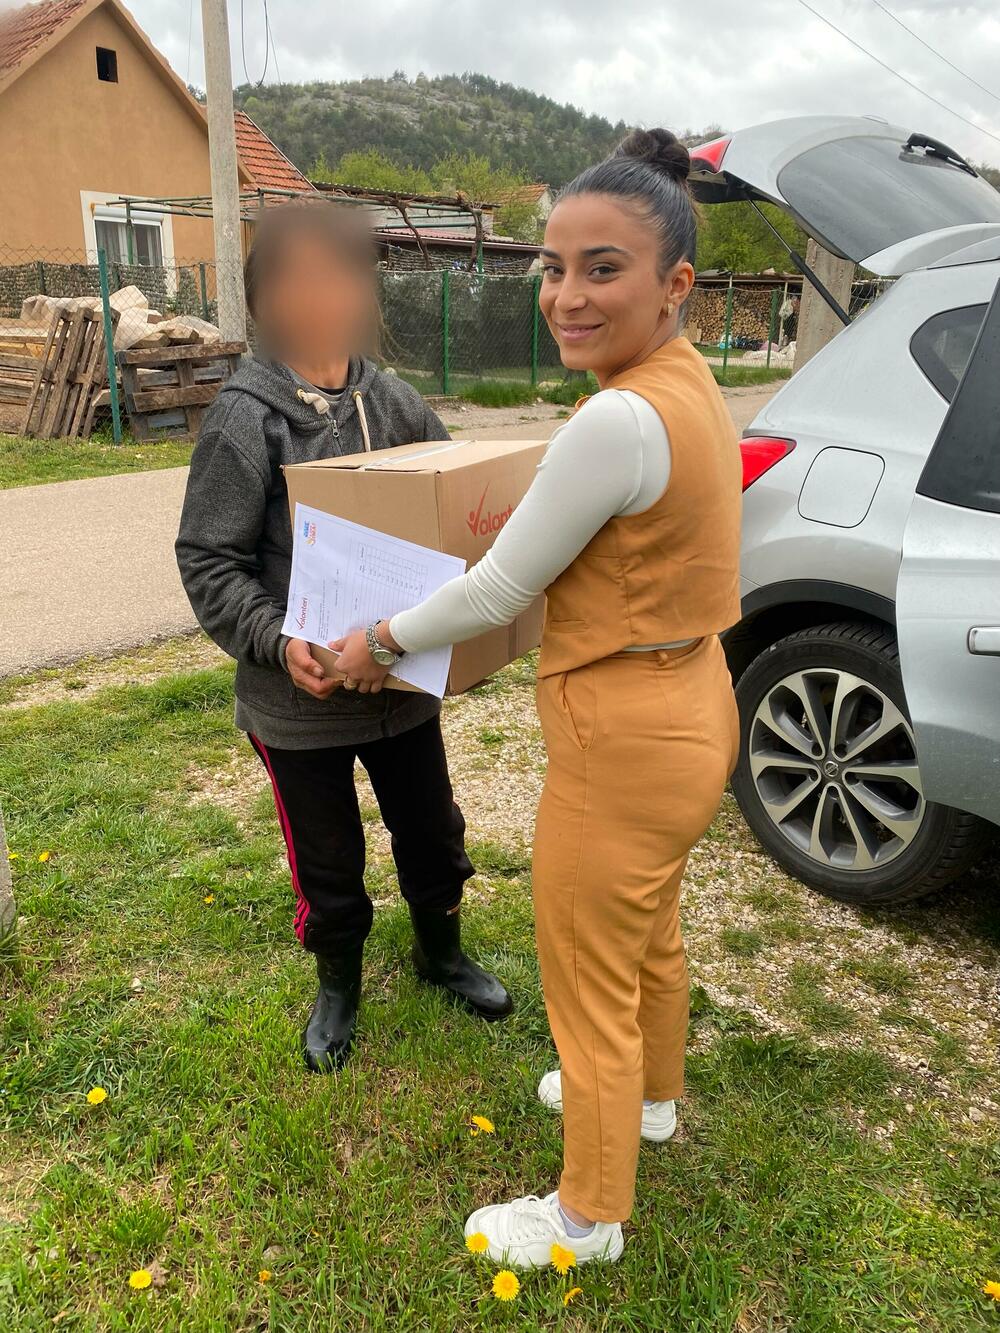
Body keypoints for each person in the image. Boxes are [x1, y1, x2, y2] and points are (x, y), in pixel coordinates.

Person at [332, 130, 742, 1266]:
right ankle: (651, 1101)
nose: (566, 295)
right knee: (646, 932)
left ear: (674, 284)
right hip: (693, 702)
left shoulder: (615, 418)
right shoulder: (688, 384)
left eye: (603, 269)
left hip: (625, 738)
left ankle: (585, 1216)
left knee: (585, 970)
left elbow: (499, 588)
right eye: (553, 267)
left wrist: (377, 639)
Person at [175, 203, 512, 1076]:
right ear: (264, 301)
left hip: (401, 690)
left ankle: (441, 953)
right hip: (300, 704)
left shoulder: (395, 402)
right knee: (327, 857)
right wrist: (273, 639)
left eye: (340, 275)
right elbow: (208, 558)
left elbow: (454, 512)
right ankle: (338, 984)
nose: (323, 296)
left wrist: (464, 630)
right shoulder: (245, 420)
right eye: (300, 280)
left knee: (432, 832)